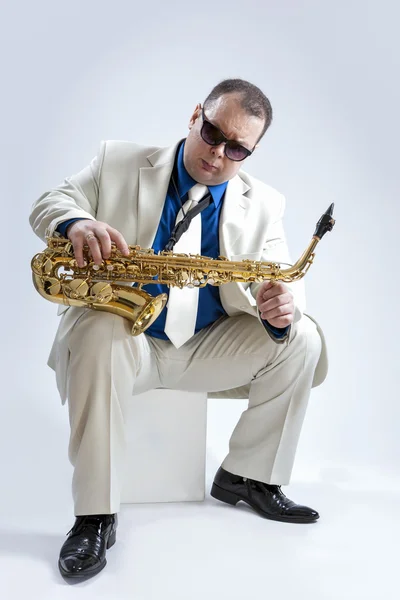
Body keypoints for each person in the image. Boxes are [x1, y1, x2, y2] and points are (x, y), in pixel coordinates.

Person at [29, 78, 328, 582]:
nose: (218, 154)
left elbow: (277, 280)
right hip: (128, 341)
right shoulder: (118, 160)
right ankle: (95, 516)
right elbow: (50, 201)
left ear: (251, 152)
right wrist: (75, 223)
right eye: (213, 133)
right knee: (100, 332)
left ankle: (247, 477)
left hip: (207, 348)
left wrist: (281, 309)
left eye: (237, 149)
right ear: (195, 115)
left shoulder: (266, 204)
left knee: (304, 338)